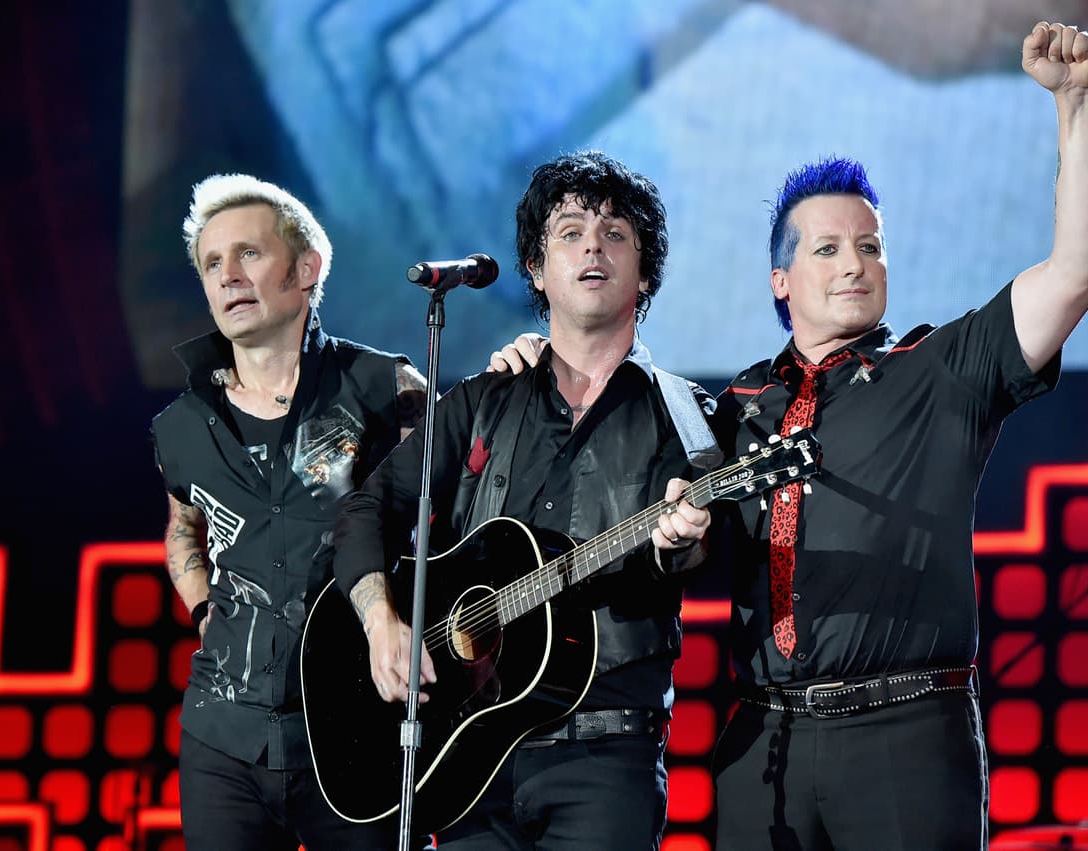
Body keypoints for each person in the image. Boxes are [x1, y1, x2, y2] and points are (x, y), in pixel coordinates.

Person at [708, 21, 1088, 850]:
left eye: (871, 246)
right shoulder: (737, 405)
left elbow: (1080, 268)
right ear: (781, 281)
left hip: (903, 738)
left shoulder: (941, 368)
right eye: (828, 249)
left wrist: (1076, 105)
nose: (856, 263)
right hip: (760, 747)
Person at [333, 150, 714, 850]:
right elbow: (366, 511)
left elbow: (703, 558)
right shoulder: (483, 399)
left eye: (615, 233)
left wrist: (682, 541)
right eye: (569, 231)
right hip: (467, 756)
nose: (593, 245)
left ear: (646, 271)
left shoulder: (686, 418)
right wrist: (380, 621)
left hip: (605, 758)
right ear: (537, 269)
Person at [151, 173, 428, 849]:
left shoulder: (385, 390)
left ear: (307, 268)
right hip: (223, 737)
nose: (228, 276)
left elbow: (451, 513)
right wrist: (199, 604)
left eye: (248, 253)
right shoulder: (182, 426)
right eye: (212, 263)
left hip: (356, 729)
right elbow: (183, 524)